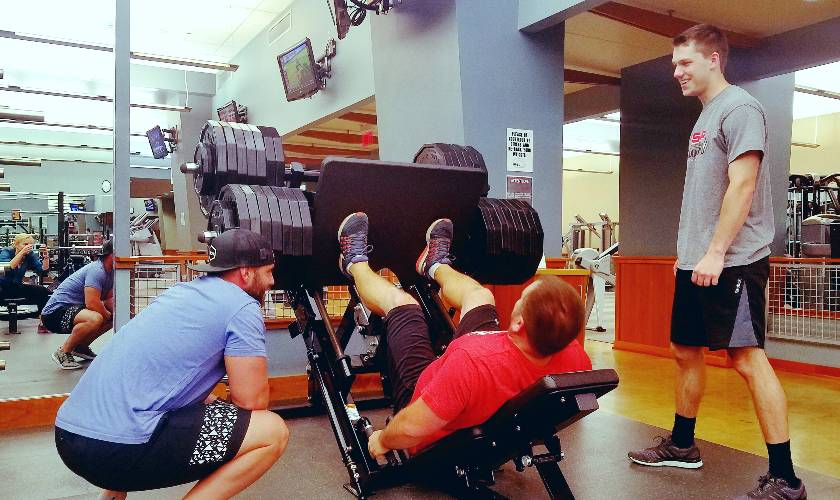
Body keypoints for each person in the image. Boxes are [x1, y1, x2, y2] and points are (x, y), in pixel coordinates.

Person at [627, 24, 806, 500]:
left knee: (746, 359)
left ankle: (786, 478)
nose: (677, 73)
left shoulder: (741, 108)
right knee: (684, 351)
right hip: (699, 260)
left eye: (685, 63)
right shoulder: (705, 118)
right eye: (674, 66)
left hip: (735, 261)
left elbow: (743, 186)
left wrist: (716, 252)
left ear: (713, 60)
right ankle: (684, 445)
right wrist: (689, 253)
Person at [54, 229, 289, 499]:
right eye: (268, 271)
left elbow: (158, 376)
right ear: (246, 273)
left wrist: (210, 401)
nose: (272, 281)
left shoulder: (180, 293)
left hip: (69, 437)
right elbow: (252, 403)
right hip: (113, 451)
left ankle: (111, 494)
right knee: (271, 431)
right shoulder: (242, 307)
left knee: (157, 402)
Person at [334, 212, 592, 458]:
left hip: (431, 420)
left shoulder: (470, 363)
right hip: (481, 383)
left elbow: (410, 429)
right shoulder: (576, 360)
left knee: (402, 304)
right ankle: (434, 266)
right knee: (481, 296)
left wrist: (382, 440)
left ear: (518, 324)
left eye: (522, 299)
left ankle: (354, 264)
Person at [43, 239, 115, 369]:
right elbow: (92, 303)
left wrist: (125, 315)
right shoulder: (97, 270)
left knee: (112, 318)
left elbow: (109, 299)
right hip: (54, 314)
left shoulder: (111, 272)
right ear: (112, 254)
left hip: (72, 309)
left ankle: (80, 347)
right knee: (95, 318)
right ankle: (63, 352)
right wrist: (106, 314)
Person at [0, 233, 52, 332]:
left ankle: (43, 323)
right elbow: (8, 267)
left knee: (42, 291)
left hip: (17, 287)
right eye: (25, 244)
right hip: (2, 287)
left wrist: (46, 258)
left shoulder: (29, 255)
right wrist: (22, 252)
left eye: (30, 245)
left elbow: (42, 270)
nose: (28, 247)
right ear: (16, 244)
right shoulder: (6, 252)